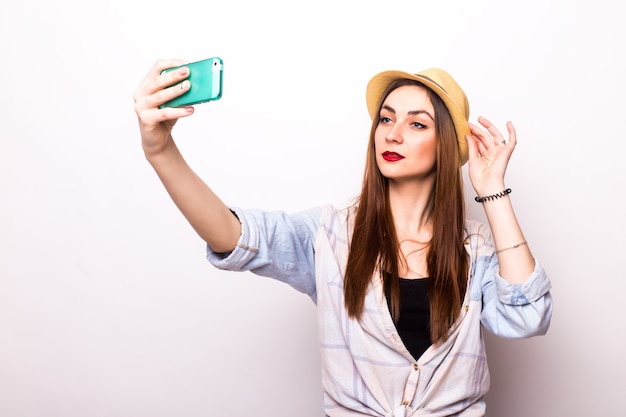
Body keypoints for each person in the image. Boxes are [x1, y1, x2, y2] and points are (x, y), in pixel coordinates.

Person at [133, 59, 552, 417]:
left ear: (445, 145)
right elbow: (235, 235)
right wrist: (160, 151)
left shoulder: (476, 250)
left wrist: (491, 187)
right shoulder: (331, 235)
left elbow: (527, 318)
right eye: (386, 118)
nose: (392, 133)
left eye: (416, 123)